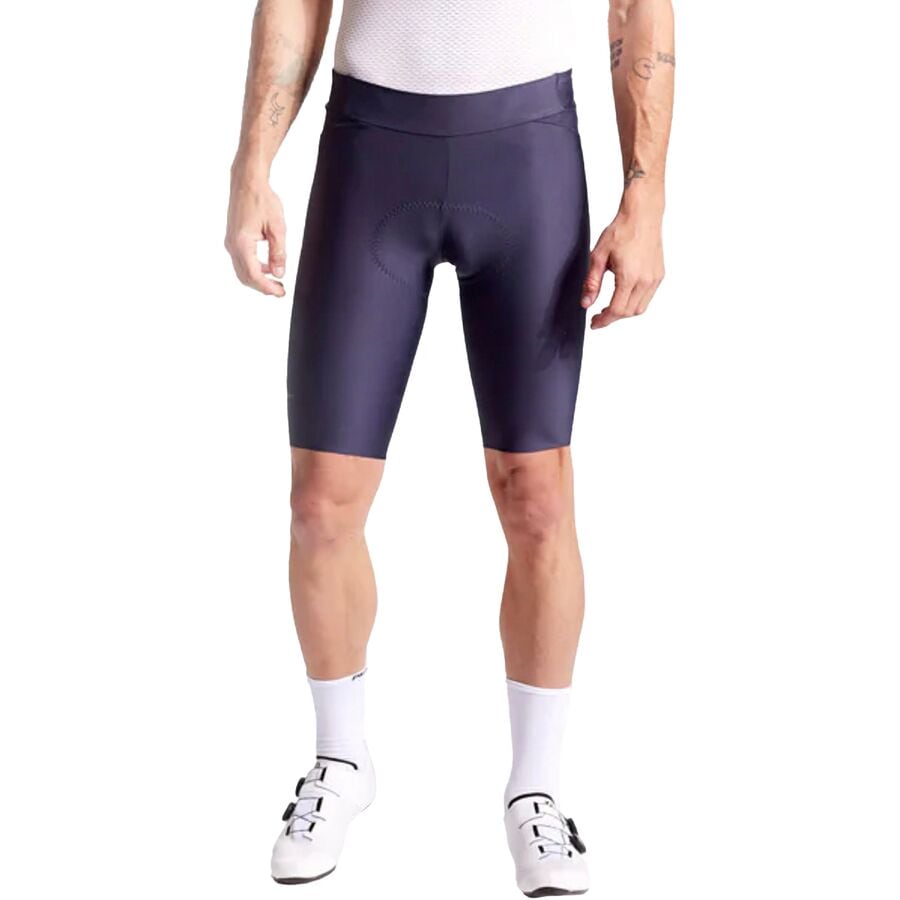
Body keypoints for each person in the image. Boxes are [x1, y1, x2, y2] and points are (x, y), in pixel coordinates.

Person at [225, 0, 674, 894]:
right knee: (320, 504)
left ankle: (536, 791)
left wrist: (647, 195)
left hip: (526, 153)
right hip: (371, 150)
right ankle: (341, 760)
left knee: (537, 495)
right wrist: (252, 166)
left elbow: (636, 7)